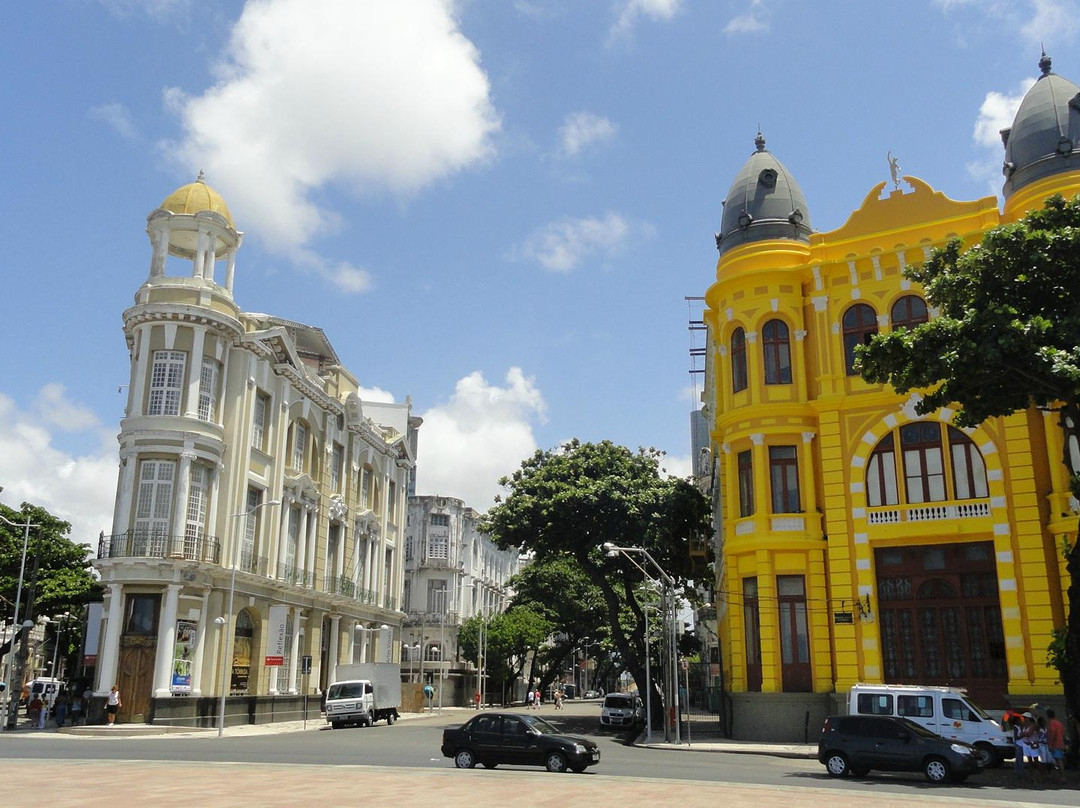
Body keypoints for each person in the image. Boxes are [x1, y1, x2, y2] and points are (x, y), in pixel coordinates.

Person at [1045, 709, 1066, 781]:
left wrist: (1050, 744)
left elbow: (1052, 733)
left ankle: (1062, 777)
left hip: (1055, 744)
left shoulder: (1051, 723)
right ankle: (1061, 776)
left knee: (1058, 760)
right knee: (1058, 760)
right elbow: (1063, 732)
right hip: (1060, 743)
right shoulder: (1058, 722)